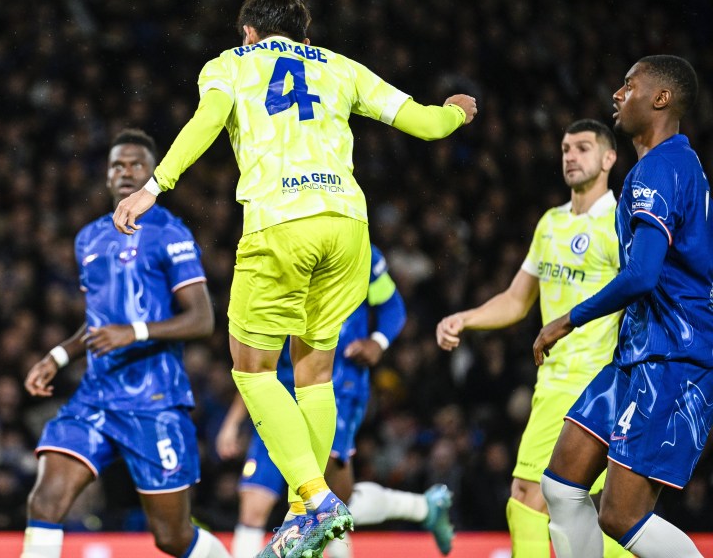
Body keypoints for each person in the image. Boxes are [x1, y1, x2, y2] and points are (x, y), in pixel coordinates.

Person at [113, 0, 476, 558]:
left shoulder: (229, 66)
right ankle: (305, 510)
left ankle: (315, 497)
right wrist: (458, 110)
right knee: (314, 373)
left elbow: (207, 122)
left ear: (249, 33)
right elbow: (428, 125)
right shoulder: (340, 66)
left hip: (281, 224)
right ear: (304, 37)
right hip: (349, 228)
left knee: (253, 371)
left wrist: (154, 186)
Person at [20, 130, 231, 558]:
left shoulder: (169, 233)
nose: (126, 171)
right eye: (117, 164)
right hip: (96, 397)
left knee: (171, 538)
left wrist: (133, 332)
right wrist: (58, 356)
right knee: (44, 501)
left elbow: (202, 319)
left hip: (153, 400)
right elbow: (98, 323)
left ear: (153, 173)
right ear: (107, 175)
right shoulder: (89, 239)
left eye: (136, 164)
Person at [534, 55, 712, 558]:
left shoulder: (662, 167)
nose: (618, 93)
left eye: (630, 85)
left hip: (673, 358)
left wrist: (566, 320)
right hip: (638, 353)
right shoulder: (667, 164)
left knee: (621, 515)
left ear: (661, 99)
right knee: (562, 485)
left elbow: (642, 275)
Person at [435, 119, 631, 557]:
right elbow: (517, 299)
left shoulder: (620, 224)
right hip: (553, 382)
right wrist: (465, 319)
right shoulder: (550, 223)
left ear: (609, 158)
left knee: (527, 495)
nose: (570, 156)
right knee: (584, 511)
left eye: (582, 147)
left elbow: (644, 291)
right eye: (565, 148)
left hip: (591, 380)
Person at [216, 243, 454, 558]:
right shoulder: (275, 250)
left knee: (330, 501)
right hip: (282, 392)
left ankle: (422, 507)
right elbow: (254, 364)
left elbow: (392, 306)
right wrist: (232, 423)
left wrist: (378, 342)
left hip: (337, 386)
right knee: (255, 503)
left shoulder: (358, 249)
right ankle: (423, 507)